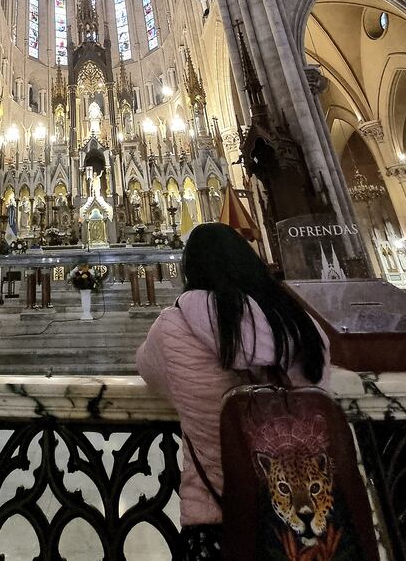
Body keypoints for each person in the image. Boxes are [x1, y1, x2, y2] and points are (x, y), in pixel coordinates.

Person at [136, 223, 330, 560]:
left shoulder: (174, 324)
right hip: (311, 512)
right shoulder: (298, 321)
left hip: (218, 508)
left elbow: (150, 370)